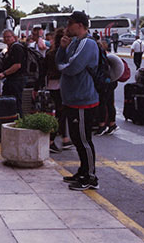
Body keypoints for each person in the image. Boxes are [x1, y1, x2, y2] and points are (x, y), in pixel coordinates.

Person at [57, 11, 101, 191]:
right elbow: (60, 62)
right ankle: (82, 171)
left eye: (70, 24)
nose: (67, 28)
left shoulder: (87, 43)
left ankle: (90, 176)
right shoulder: (74, 43)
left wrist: (63, 65)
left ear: (80, 25)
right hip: (72, 99)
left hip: (83, 99)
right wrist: (62, 48)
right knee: (76, 138)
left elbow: (72, 67)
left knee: (84, 140)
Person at [42, 28, 72, 153]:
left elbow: (43, 71)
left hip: (52, 85)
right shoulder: (65, 53)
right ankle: (51, 140)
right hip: (62, 85)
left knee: (61, 113)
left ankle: (65, 139)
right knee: (61, 114)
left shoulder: (50, 53)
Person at [0, 29, 26, 113]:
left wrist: (4, 73)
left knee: (15, 104)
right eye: (5, 37)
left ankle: (18, 122)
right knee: (9, 103)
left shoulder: (17, 48)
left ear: (14, 37)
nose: (7, 39)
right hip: (11, 80)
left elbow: (17, 65)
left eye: (9, 37)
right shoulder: (9, 49)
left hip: (16, 80)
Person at [93, 40, 118, 136]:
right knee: (109, 103)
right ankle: (112, 124)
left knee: (102, 103)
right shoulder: (105, 55)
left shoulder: (99, 56)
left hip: (104, 82)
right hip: (110, 81)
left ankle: (102, 125)